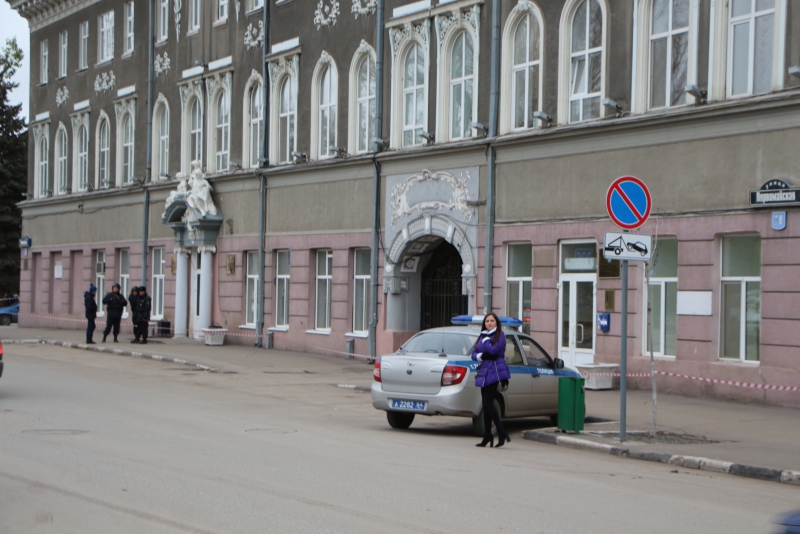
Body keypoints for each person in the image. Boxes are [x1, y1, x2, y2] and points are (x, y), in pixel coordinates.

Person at [471, 313, 512, 448]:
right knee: (485, 404)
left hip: (495, 370)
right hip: (484, 370)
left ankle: (501, 432)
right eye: (487, 321)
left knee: (489, 403)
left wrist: (486, 341)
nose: (489, 323)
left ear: (496, 323)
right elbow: (473, 354)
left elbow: (493, 351)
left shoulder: (499, 335)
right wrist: (482, 355)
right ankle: (488, 435)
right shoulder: (483, 335)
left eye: (492, 321)